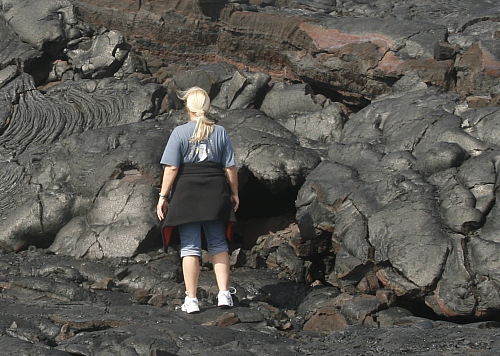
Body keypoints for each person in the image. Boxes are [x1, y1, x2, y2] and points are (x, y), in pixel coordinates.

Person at [156, 86, 239, 314]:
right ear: (207, 106)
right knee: (218, 243)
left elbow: (172, 167)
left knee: (190, 247)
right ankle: (224, 294)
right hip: (215, 190)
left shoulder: (180, 133)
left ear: (187, 107)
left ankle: (191, 300)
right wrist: (234, 193)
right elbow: (230, 167)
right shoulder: (220, 132)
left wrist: (163, 196)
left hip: (187, 192)